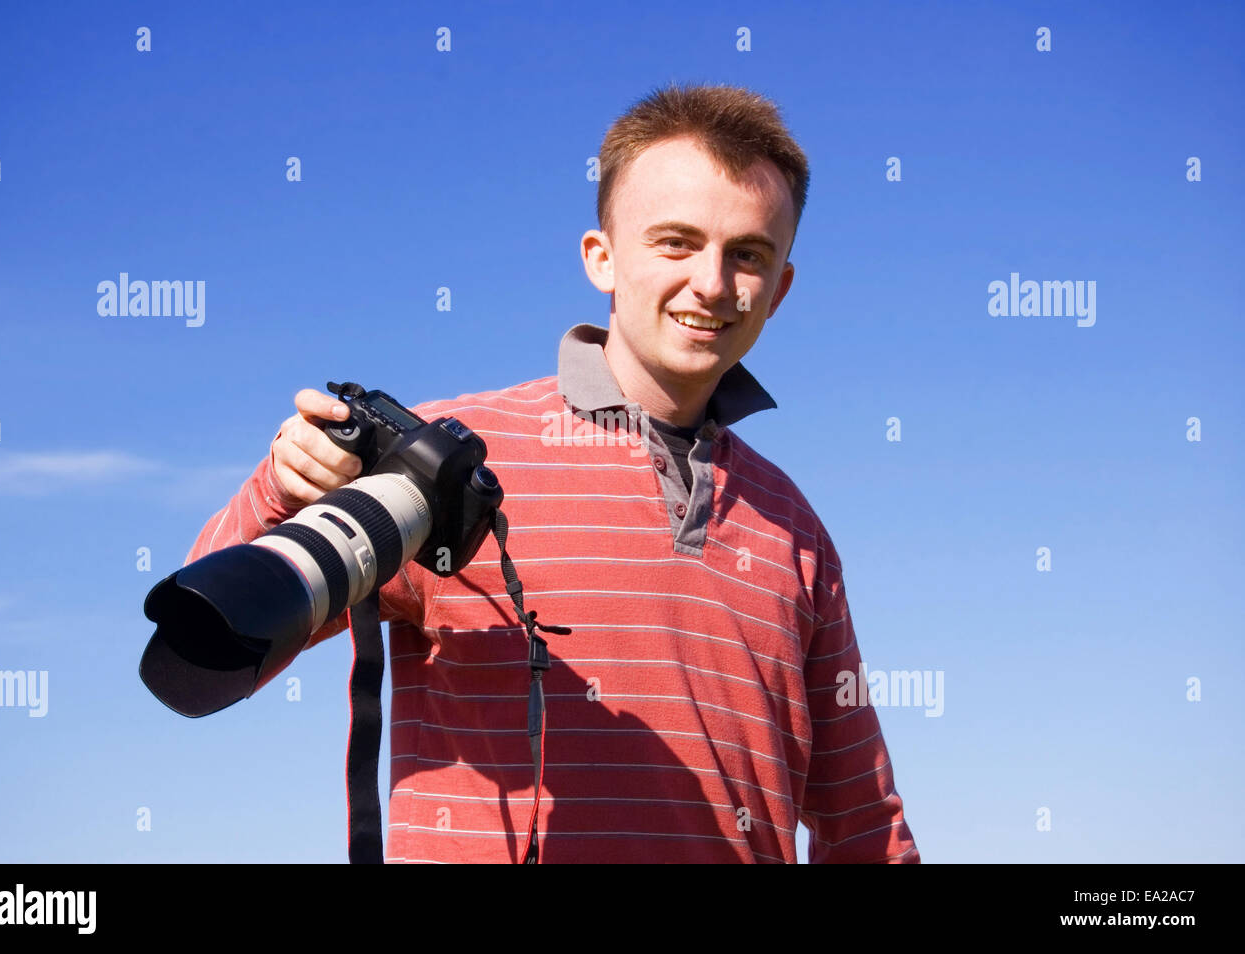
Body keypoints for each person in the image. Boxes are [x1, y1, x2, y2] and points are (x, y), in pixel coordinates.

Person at [186, 83, 920, 864]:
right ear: (601, 258)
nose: (711, 282)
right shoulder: (451, 462)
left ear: (780, 289)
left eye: (748, 254)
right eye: (676, 242)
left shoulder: (794, 524)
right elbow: (210, 634)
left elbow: (862, 817)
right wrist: (281, 487)